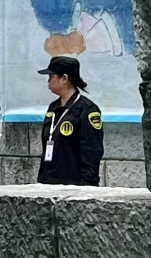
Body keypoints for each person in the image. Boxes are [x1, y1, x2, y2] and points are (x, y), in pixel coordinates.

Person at [36, 55, 104, 186]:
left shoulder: (87, 110)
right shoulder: (53, 108)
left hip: (74, 186)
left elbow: (91, 153)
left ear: (64, 79)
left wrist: (86, 188)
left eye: (51, 76)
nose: (48, 81)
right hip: (49, 184)